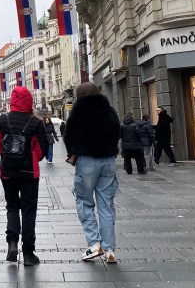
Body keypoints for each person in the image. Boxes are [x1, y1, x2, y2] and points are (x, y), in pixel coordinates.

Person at [64, 82, 120, 263]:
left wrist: (73, 151)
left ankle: (94, 244)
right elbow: (117, 132)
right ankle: (110, 250)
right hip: (108, 161)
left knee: (84, 202)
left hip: (87, 161)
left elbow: (68, 135)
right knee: (106, 205)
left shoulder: (78, 111)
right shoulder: (109, 110)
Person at [0, 86, 48, 266]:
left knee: (12, 207)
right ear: (29, 101)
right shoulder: (35, 122)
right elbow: (42, 148)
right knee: (28, 210)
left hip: (7, 171)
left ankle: (12, 242)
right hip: (29, 173)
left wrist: (9, 156)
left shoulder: (3, 120)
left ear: (12, 100)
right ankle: (29, 253)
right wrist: (31, 157)